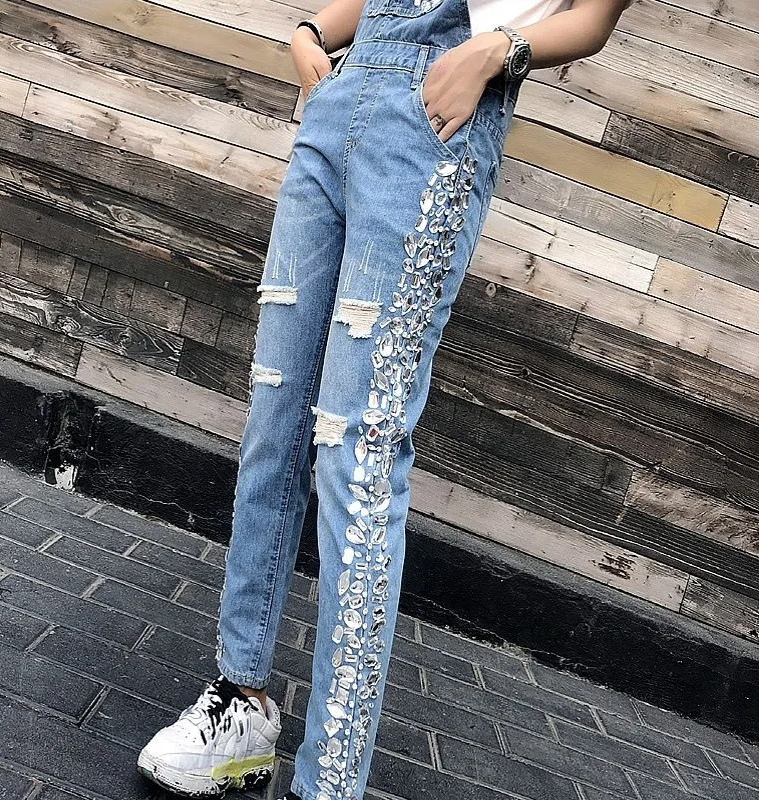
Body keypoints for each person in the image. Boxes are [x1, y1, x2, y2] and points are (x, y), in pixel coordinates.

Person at [137, 0, 634, 797]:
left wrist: (495, 52)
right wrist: (309, 33)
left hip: (433, 124)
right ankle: (239, 704)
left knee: (358, 454)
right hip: (339, 103)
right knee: (275, 419)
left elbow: (594, 18)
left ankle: (329, 782)